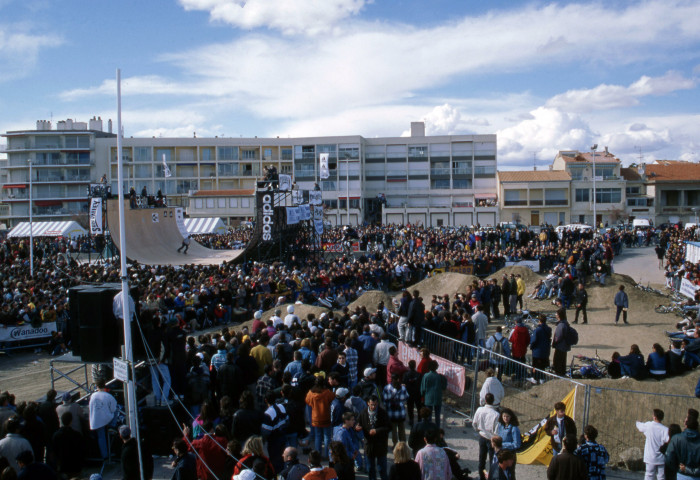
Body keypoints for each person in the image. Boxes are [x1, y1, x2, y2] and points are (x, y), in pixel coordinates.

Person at [357, 395, 390, 480]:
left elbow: (388, 427)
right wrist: (357, 427)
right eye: (371, 404)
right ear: (368, 403)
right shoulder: (363, 413)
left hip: (381, 445)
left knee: (382, 469)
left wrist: (377, 431)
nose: (373, 407)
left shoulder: (383, 413)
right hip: (369, 445)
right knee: (370, 469)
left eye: (375, 404)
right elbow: (358, 423)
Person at [306, 376, 336, 460]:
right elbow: (333, 397)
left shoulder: (311, 393)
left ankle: (317, 455)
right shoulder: (327, 392)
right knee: (327, 437)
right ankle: (327, 455)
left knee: (318, 436)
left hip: (315, 418)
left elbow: (307, 401)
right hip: (326, 416)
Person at [665, 411, 700, 480]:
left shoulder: (676, 438)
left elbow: (669, 457)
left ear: (686, 425)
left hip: (681, 474)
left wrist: (677, 468)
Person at [472, 393, 500, 480]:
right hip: (491, 438)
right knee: (492, 461)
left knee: (482, 459)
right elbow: (497, 430)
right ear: (493, 401)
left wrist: (478, 430)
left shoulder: (479, 410)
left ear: (485, 400)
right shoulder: (496, 414)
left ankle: (482, 477)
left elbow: (474, 423)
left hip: (482, 436)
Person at [637, 409, 670, 480]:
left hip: (650, 457)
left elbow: (640, 427)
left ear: (654, 417)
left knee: (649, 475)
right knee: (661, 477)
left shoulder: (649, 425)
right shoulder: (665, 429)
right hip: (661, 458)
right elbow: (668, 440)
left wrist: (638, 422)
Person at [88, 379, 117, 460]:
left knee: (101, 437)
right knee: (116, 410)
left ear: (96, 387)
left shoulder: (92, 396)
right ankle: (113, 426)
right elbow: (113, 409)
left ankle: (104, 455)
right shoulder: (108, 396)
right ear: (105, 386)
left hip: (95, 420)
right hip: (106, 419)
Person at [50, 411, 84, 478]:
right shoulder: (77, 435)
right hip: (75, 467)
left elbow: (53, 452)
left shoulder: (56, 435)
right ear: (71, 421)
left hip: (62, 467)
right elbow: (81, 451)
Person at [382, 374, 409, 446]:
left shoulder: (387, 388)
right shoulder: (403, 388)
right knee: (402, 431)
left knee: (394, 431)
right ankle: (403, 445)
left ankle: (395, 445)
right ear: (398, 379)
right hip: (401, 414)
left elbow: (384, 401)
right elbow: (406, 398)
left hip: (391, 414)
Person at [420, 361, 447, 428]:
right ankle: (437, 429)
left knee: (428, 416)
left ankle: (428, 429)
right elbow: (444, 387)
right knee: (437, 416)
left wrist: (422, 395)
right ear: (436, 367)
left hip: (428, 398)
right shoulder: (440, 377)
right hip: (438, 398)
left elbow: (422, 389)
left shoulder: (426, 376)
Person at [529, 313, 552, 384]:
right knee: (542, 366)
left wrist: (531, 346)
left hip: (537, 352)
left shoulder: (537, 330)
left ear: (539, 321)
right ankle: (542, 378)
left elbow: (533, 340)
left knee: (535, 366)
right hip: (545, 351)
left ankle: (535, 378)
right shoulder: (548, 329)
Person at [551, 308, 572, 377]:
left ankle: (559, 374)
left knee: (558, 360)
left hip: (560, 346)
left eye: (556, 314)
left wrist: (554, 342)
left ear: (559, 315)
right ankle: (561, 373)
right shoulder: (565, 323)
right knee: (562, 360)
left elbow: (559, 336)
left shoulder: (561, 325)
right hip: (564, 346)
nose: (555, 315)